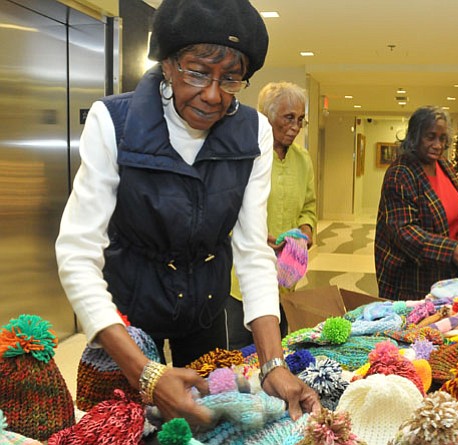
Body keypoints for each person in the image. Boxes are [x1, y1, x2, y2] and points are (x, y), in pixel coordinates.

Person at [55, 0, 320, 428]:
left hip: (205, 307)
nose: (213, 94)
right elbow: (77, 252)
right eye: (197, 72)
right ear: (168, 65)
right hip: (127, 315)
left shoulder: (253, 132)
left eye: (231, 79)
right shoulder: (114, 122)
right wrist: (146, 371)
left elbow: (252, 251)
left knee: (212, 421)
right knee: (126, 426)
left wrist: (273, 364)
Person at [229, 81, 317, 344]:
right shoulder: (244, 156)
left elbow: (309, 207)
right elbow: (224, 211)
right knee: (239, 355)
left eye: (300, 119)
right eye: (288, 117)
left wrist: (306, 230)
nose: (295, 126)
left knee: (278, 352)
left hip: (285, 279)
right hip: (240, 282)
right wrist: (255, 235)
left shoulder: (303, 160)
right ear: (267, 116)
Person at [374, 105, 458, 300]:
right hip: (412, 281)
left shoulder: (444, 165)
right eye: (430, 137)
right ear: (415, 136)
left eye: (442, 138)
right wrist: (451, 249)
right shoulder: (401, 173)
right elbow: (404, 232)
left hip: (446, 275)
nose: (437, 144)